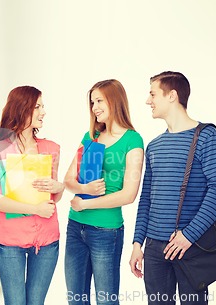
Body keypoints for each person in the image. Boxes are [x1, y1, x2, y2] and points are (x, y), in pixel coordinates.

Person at [129, 71, 216, 305]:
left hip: (190, 247)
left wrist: (189, 235)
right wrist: (137, 243)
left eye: (153, 94)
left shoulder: (208, 137)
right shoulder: (153, 146)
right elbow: (146, 199)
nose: (147, 100)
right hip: (153, 249)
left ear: (172, 95)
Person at [63, 79, 144, 305]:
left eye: (99, 100)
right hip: (75, 227)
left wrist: (86, 203)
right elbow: (68, 179)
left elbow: (129, 194)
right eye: (92, 102)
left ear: (114, 100)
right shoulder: (90, 137)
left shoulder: (132, 140)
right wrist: (84, 189)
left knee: (106, 301)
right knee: (76, 300)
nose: (94, 107)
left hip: (106, 231)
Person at [0, 85, 64, 305]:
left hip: (47, 239)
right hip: (11, 240)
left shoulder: (51, 148)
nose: (43, 112)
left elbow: (53, 197)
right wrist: (34, 209)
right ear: (22, 109)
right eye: (38, 106)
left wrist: (59, 188)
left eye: (43, 106)